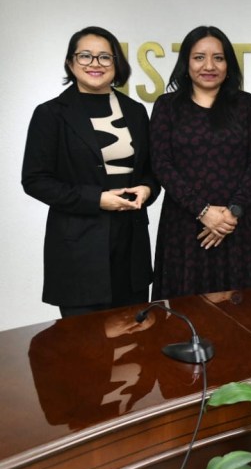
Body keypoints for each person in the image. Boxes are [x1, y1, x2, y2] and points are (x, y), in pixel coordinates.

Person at [22, 27, 160, 317]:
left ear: (116, 63)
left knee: (134, 339)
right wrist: (97, 199)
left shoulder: (135, 111)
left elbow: (151, 171)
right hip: (79, 249)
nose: (95, 64)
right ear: (70, 63)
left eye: (104, 57)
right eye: (85, 56)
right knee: (85, 342)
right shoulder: (51, 114)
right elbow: (35, 180)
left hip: (131, 246)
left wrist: (147, 189)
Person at [150, 26, 251, 298]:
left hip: (238, 224)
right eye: (199, 57)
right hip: (185, 225)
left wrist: (232, 213)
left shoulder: (246, 104)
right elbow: (161, 164)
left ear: (229, 64)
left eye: (218, 58)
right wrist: (203, 211)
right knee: (185, 312)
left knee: (242, 313)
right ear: (186, 63)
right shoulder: (167, 106)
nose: (209, 66)